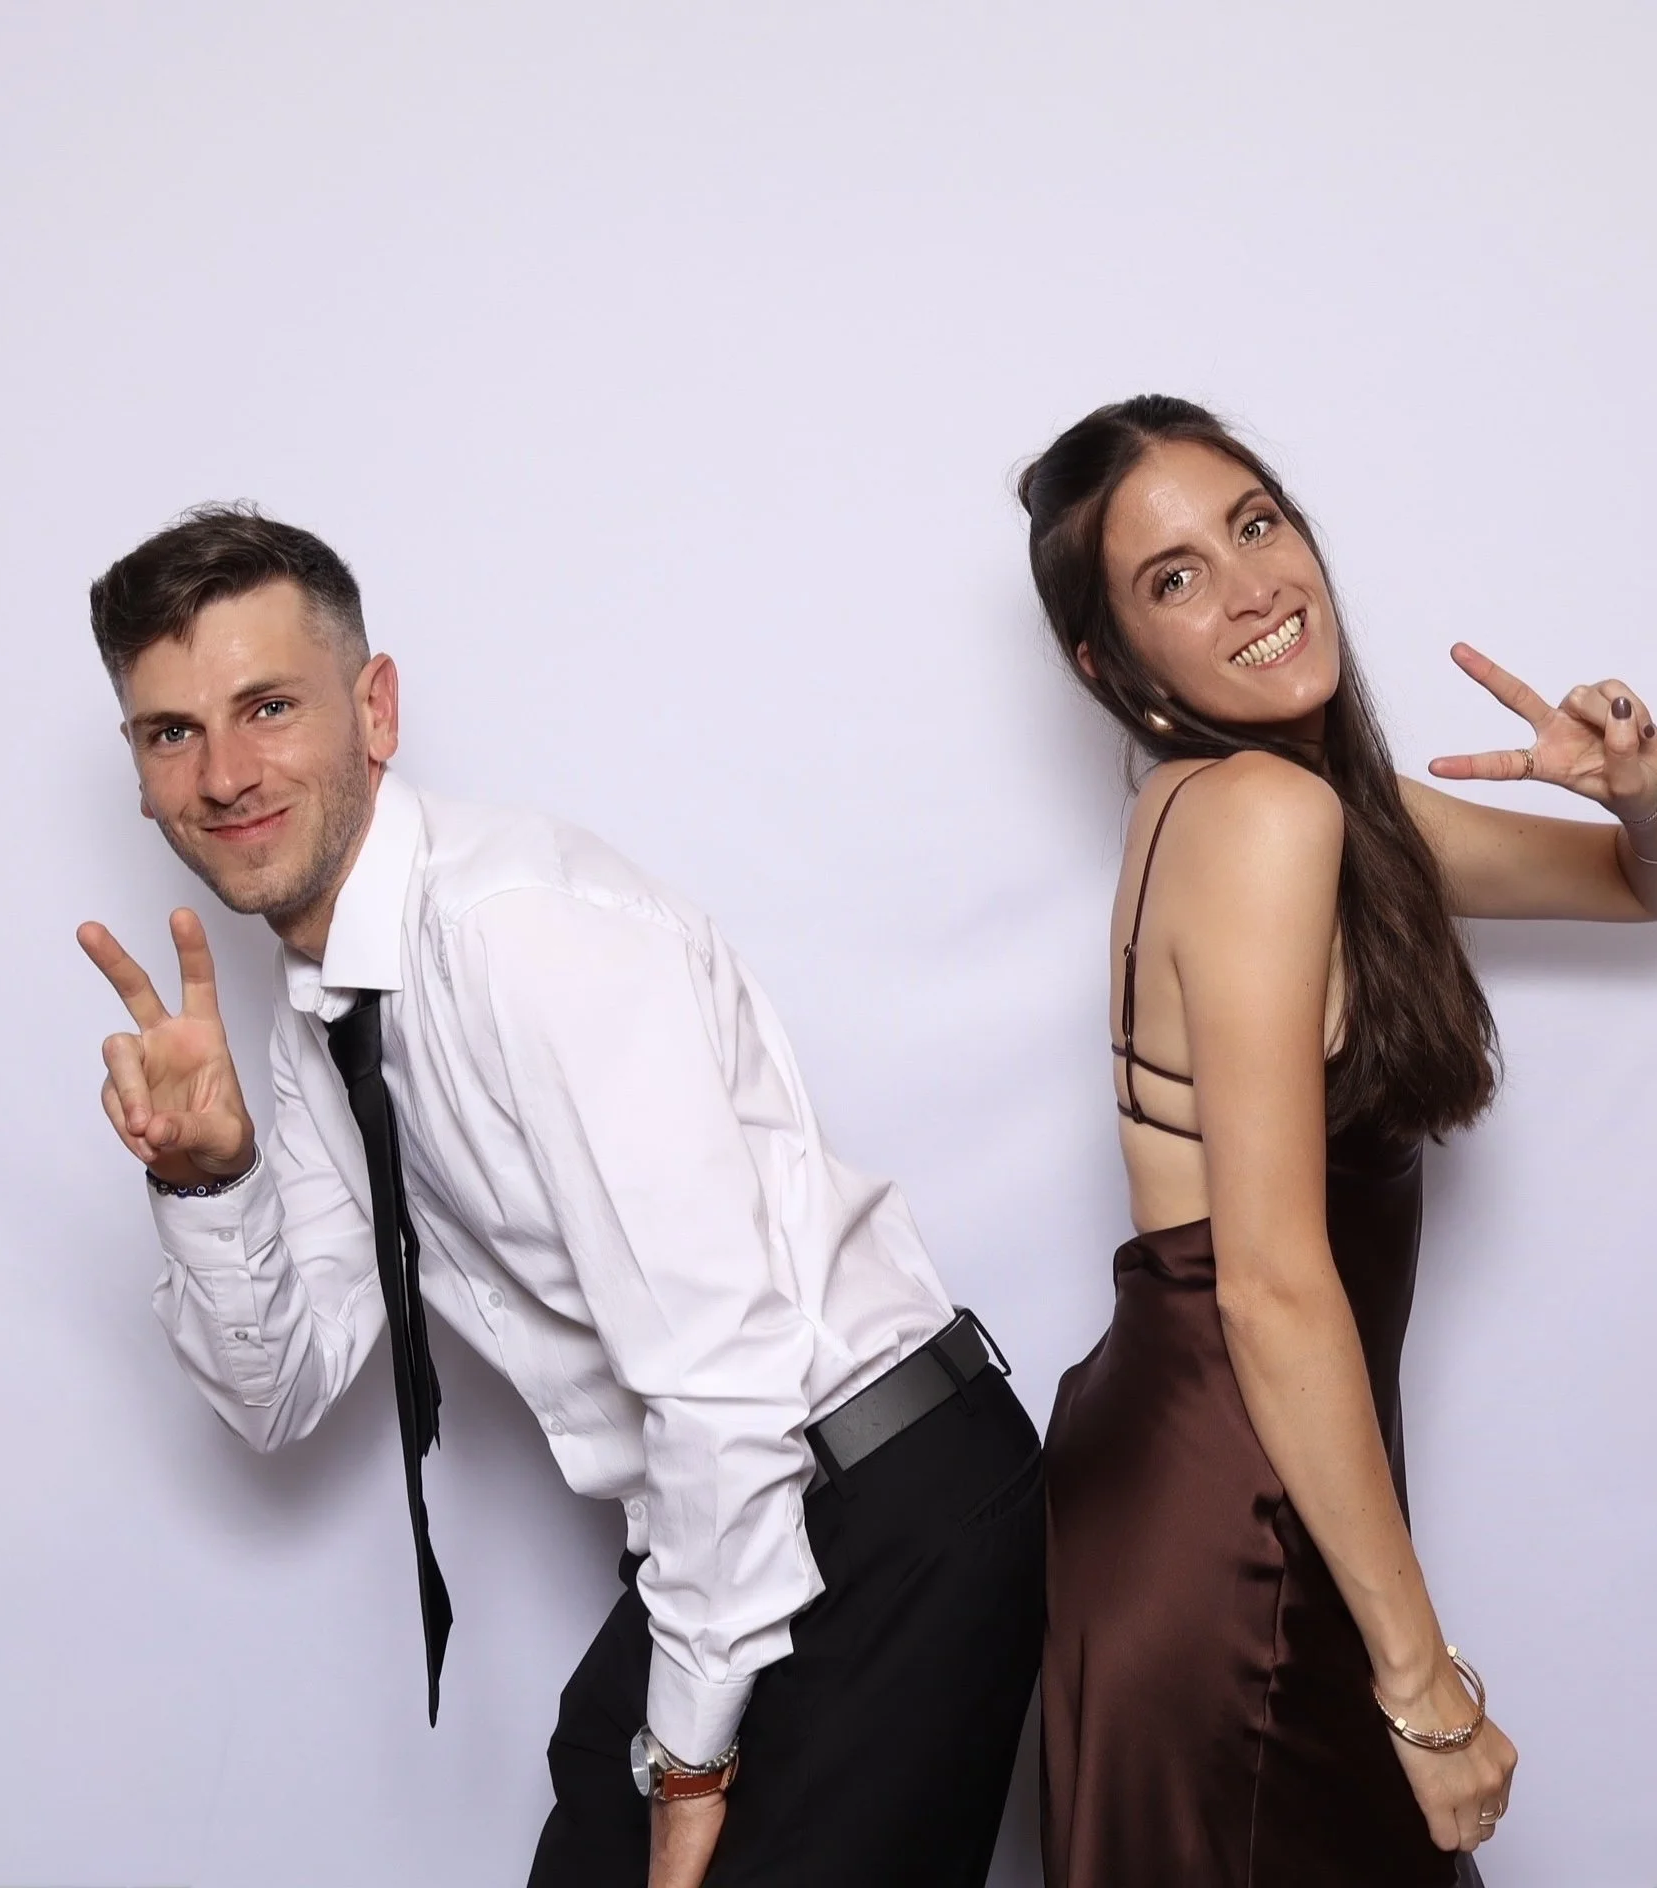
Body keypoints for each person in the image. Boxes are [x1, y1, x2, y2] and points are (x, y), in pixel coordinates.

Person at [73, 506, 1044, 1888]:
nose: (224, 774)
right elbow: (280, 1394)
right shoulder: (326, 1024)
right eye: (171, 733)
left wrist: (691, 1763)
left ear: (375, 708)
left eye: (266, 707)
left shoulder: (524, 935)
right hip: (740, 1520)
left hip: (875, 1501)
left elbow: (720, 1372)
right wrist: (210, 1179)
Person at [1017, 397, 1657, 1886]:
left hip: (1199, 1478)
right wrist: (1421, 1690)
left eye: (1253, 525)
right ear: (1111, 668)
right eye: (1172, 579)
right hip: (1239, 1517)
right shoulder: (1263, 821)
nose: (1251, 585)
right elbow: (1272, 1281)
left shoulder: (1271, 810)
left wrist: (1636, 786)